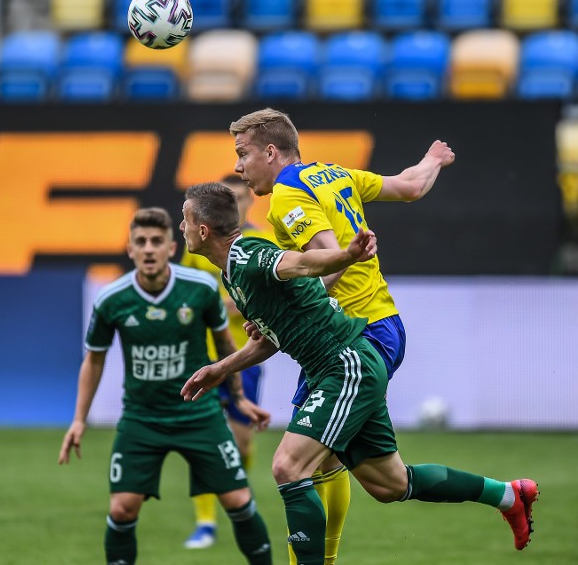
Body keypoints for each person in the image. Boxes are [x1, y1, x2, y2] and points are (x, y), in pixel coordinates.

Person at [179, 182, 538, 565]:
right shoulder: (231, 274)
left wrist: (344, 255)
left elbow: (298, 263)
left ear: (203, 229)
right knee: (391, 484)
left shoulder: (248, 253)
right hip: (341, 368)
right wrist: (219, 368)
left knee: (289, 465)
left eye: (184, 220)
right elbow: (272, 338)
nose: (180, 228)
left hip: (344, 364)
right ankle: (508, 495)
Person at [230, 107, 456, 565]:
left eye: (243, 154)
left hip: (353, 335)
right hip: (380, 324)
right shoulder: (331, 174)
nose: (238, 166)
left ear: (271, 152)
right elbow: (410, 186)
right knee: (372, 477)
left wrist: (282, 307)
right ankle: (506, 496)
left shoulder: (287, 195)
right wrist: (433, 159)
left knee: (296, 463)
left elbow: (330, 259)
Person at [59, 207, 274, 565]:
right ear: (129, 250)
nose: (148, 249)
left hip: (199, 415)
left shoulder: (201, 289)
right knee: (123, 508)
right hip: (142, 419)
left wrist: (239, 398)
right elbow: (93, 360)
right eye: (140, 242)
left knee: (238, 500)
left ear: (171, 247)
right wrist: (79, 419)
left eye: (156, 241)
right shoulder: (112, 299)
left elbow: (224, 346)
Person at [179, 174, 273, 549]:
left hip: (245, 355)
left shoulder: (262, 241)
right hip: (204, 351)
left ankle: (238, 499)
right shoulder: (196, 245)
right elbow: (184, 293)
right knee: (203, 440)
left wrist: (246, 304)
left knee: (242, 443)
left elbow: (274, 296)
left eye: (239, 197)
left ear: (248, 202)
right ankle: (205, 522)